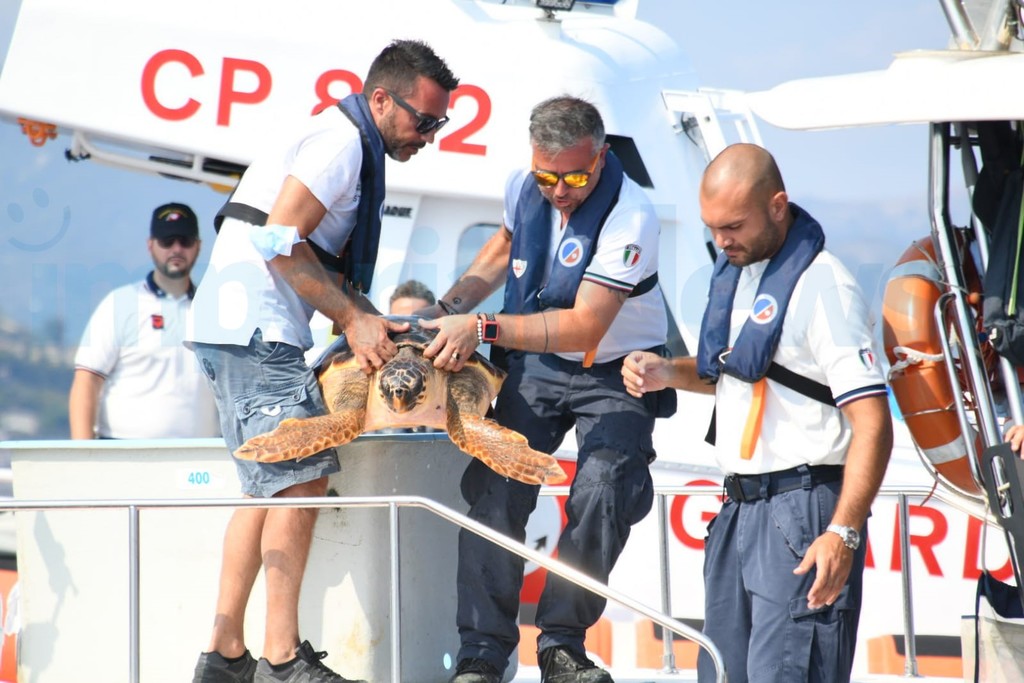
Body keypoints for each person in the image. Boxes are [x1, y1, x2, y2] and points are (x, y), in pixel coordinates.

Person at [185, 40, 459, 683]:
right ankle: (281, 659)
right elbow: (278, 239)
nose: (430, 135)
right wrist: (353, 319)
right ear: (381, 100)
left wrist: (371, 316)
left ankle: (224, 655)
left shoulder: (342, 139)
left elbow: (300, 251)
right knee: (299, 480)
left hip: (237, 325)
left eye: (439, 123)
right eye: (424, 120)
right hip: (257, 327)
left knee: (267, 486)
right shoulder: (341, 145)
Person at [419, 95, 672, 683]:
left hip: (617, 368)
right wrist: (447, 307)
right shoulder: (521, 186)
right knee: (496, 488)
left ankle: (562, 646)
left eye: (576, 177)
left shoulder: (631, 216)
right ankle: (482, 653)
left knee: (604, 488)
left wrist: (481, 327)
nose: (559, 191)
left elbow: (585, 325)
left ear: (601, 157)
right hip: (538, 365)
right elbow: (502, 247)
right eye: (547, 177)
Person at [621, 143, 893, 683]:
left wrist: (842, 532)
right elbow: (737, 372)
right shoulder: (742, 274)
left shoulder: (826, 287)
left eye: (734, 226)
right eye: (713, 228)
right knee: (722, 673)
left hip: (803, 509)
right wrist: (666, 371)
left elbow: (873, 423)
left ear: (777, 206)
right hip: (739, 511)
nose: (722, 241)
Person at [68, 202, 219, 439]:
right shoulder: (120, 303)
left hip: (198, 455)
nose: (176, 249)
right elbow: (87, 380)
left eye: (185, 241)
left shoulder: (216, 310)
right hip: (124, 450)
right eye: (167, 241)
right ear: (151, 245)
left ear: (198, 246)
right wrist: (82, 453)